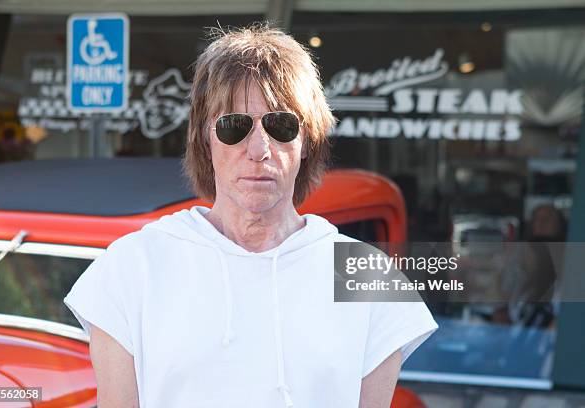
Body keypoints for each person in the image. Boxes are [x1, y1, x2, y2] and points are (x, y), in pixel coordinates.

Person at [64, 23, 438, 408]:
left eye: (280, 125)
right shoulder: (131, 268)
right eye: (233, 127)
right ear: (205, 140)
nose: (259, 148)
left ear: (307, 140)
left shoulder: (369, 276)